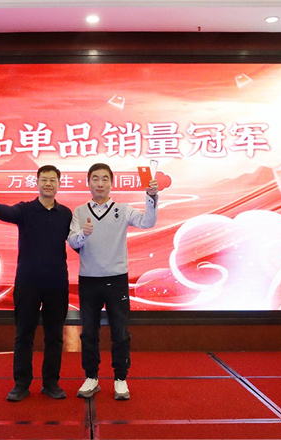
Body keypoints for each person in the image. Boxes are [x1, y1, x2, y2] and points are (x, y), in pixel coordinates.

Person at [67, 163, 158, 400]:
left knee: (120, 331)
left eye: (105, 179)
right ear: (88, 182)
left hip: (116, 280)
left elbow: (147, 222)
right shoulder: (79, 211)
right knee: (89, 332)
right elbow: (72, 242)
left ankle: (120, 378)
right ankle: (91, 377)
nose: (100, 183)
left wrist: (151, 197)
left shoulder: (123, 209)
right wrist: (83, 234)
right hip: (89, 280)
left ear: (111, 183)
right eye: (95, 179)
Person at [0, 165, 73, 402]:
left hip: (57, 283)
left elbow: (77, 240)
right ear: (37, 182)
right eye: (44, 180)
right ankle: (21, 384)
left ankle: (51, 383)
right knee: (24, 334)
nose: (48, 184)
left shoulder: (66, 214)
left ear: (59, 184)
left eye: (52, 180)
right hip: (28, 282)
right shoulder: (25, 210)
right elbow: (8, 212)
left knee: (54, 336)